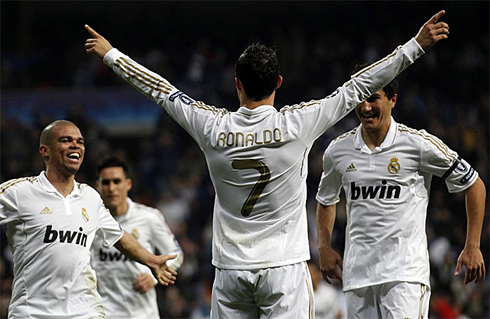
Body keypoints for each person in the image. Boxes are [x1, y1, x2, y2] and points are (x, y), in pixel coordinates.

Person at [84, 10, 449, 318]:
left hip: (229, 274)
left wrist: (111, 54)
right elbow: (357, 87)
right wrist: (416, 46)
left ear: (237, 84)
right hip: (284, 270)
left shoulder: (212, 126)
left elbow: (160, 90)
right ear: (278, 82)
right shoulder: (297, 123)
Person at [315, 60, 486, 318]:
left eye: (373, 98)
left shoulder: (417, 145)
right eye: (360, 98)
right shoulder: (338, 150)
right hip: (357, 278)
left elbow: (474, 183)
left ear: (393, 99)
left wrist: (472, 245)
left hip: (404, 276)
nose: (365, 107)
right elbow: (326, 199)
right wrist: (324, 247)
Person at [0, 120, 178, 319]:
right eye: (66, 140)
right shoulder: (18, 192)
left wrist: (152, 261)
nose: (75, 145)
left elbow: (119, 236)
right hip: (32, 311)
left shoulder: (90, 197)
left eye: (80, 141)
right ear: (45, 150)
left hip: (84, 310)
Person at [91, 155, 184, 319]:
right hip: (102, 313)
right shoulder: (89, 220)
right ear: (98, 186)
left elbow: (176, 254)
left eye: (117, 181)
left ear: (128, 184)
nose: (111, 188)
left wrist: (153, 277)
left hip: (142, 313)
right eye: (106, 182)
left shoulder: (149, 217)